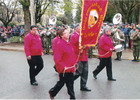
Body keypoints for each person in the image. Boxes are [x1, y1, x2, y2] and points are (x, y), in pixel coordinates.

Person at [49, 28, 76, 99]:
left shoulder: (69, 43)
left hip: (70, 68)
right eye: (65, 33)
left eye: (68, 33)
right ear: (61, 35)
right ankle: (52, 92)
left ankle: (72, 98)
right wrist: (63, 66)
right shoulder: (60, 44)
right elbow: (57, 58)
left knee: (70, 84)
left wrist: (74, 63)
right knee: (61, 83)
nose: (68, 34)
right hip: (64, 69)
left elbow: (71, 55)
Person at [70, 24, 91, 91]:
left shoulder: (82, 35)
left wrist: (86, 46)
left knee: (85, 72)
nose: (82, 29)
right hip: (78, 56)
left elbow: (88, 45)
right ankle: (69, 80)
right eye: (80, 28)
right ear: (76, 28)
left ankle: (83, 86)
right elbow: (74, 45)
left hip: (84, 56)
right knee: (78, 72)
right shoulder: (73, 35)